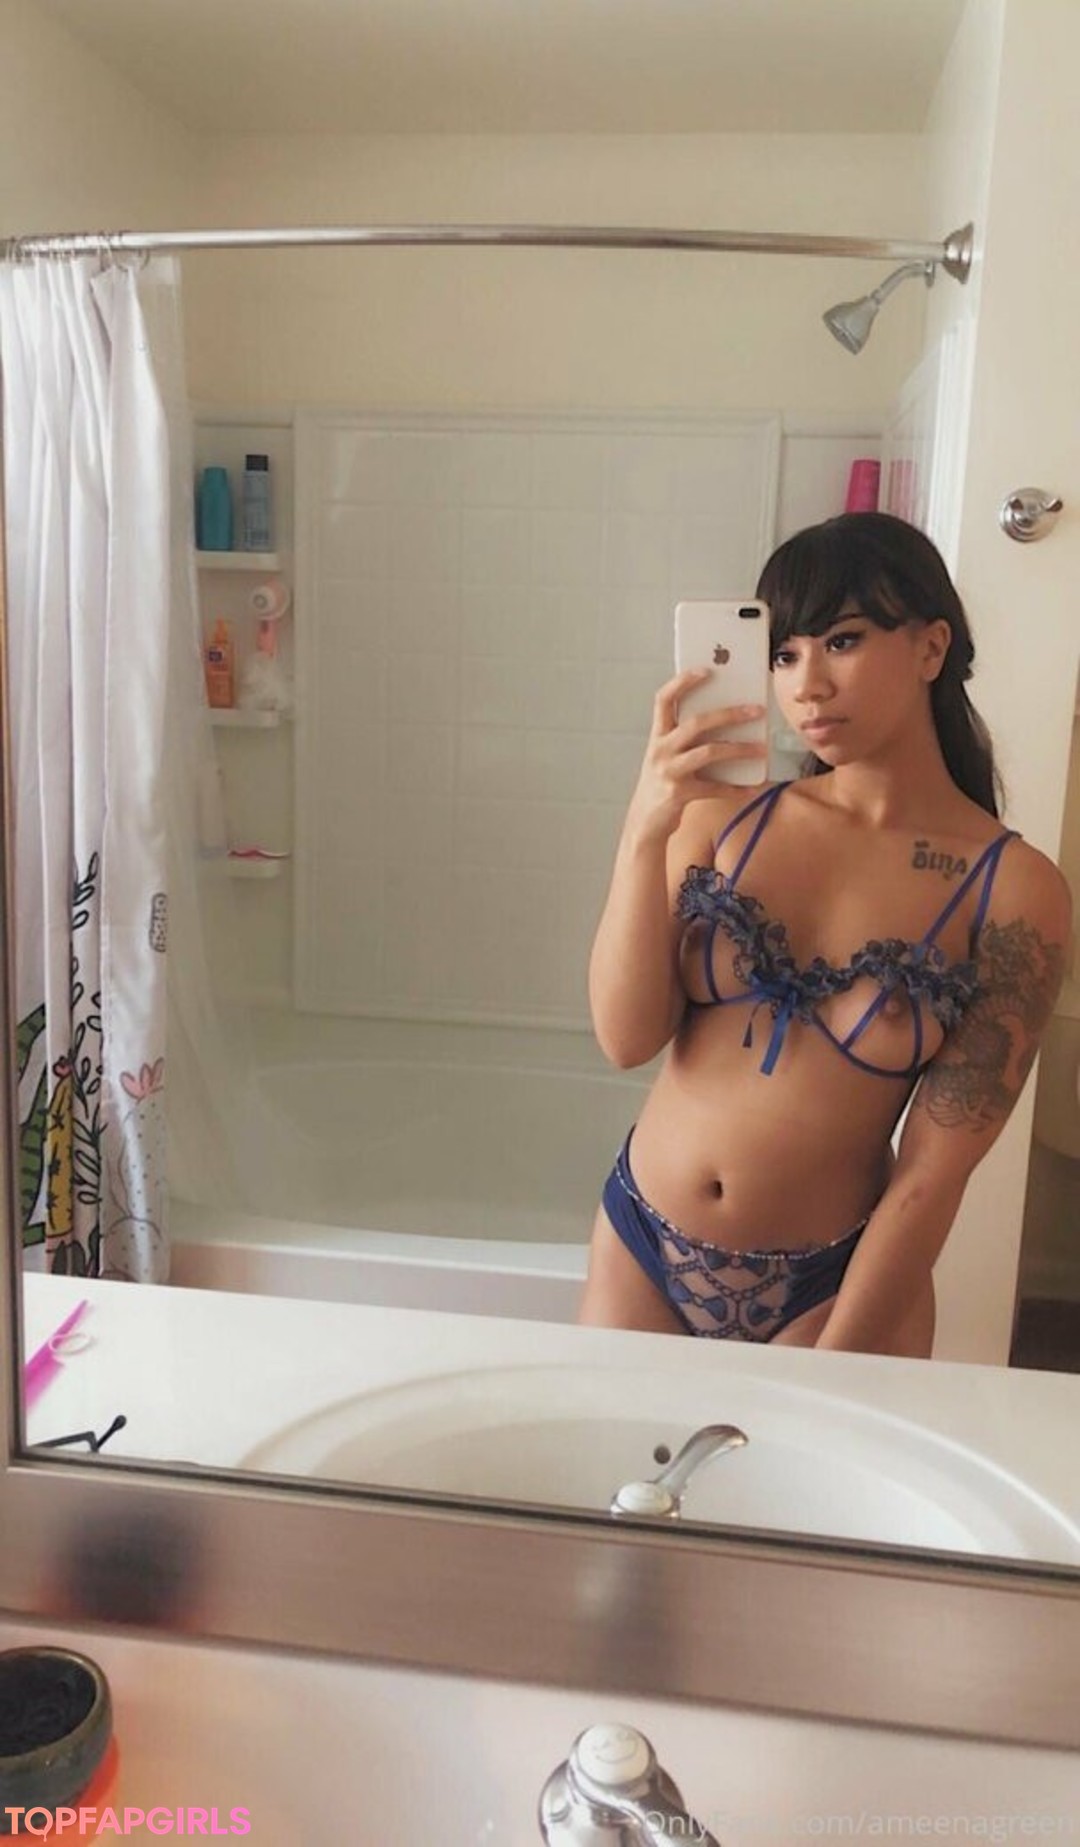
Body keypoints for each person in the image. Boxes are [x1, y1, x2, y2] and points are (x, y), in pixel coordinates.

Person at [580, 512, 1072, 1357]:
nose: (806, 685)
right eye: (784, 653)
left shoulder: (1013, 889)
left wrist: (835, 1361)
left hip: (833, 1287)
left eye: (842, 641)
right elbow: (625, 1039)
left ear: (931, 647)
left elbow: (931, 1176)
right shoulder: (722, 819)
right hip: (642, 1244)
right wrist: (644, 828)